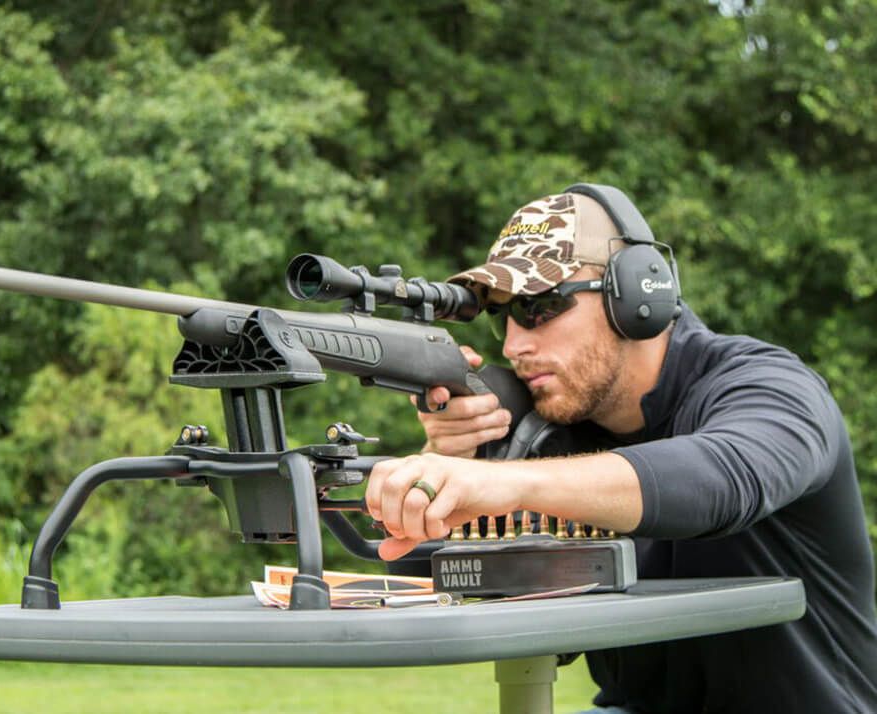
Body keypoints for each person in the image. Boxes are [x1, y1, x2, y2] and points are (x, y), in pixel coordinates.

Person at [364, 185, 877, 713]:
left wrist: (505, 482)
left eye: (539, 307)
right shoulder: (552, 427)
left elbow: (720, 481)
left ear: (633, 295)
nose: (514, 345)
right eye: (503, 316)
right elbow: (425, 581)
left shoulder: (771, 387)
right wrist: (447, 464)